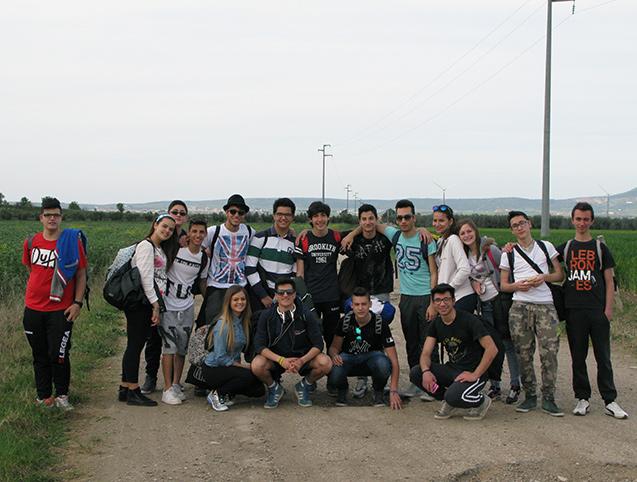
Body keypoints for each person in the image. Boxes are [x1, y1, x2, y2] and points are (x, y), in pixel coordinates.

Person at [344, 199, 437, 399]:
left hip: (408, 294)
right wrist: (352, 233)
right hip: (395, 295)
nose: (403, 220)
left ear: (414, 217)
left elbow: (434, 271)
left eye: (408, 217)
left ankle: (431, 384)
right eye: (400, 217)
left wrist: (422, 228)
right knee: (408, 340)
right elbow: (369, 226)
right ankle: (414, 381)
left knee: (425, 340)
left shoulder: (410, 239)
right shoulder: (393, 236)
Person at [556, 202, 628, 419]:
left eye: (586, 219)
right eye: (578, 219)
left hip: (597, 310)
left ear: (592, 221)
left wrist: (608, 311)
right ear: (572, 220)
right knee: (578, 357)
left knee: (603, 357)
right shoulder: (566, 248)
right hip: (574, 310)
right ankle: (582, 398)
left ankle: (610, 400)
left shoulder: (600, 248)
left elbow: (609, 281)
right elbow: (540, 256)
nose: (582, 223)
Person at [22, 197, 87, 410]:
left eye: (56, 215)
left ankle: (61, 395)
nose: (52, 218)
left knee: (58, 354)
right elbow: (32, 271)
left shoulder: (71, 242)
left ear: (61, 218)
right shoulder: (31, 243)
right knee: (39, 355)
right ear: (41, 218)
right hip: (33, 308)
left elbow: (80, 275)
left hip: (61, 310)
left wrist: (77, 303)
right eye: (48, 215)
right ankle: (44, 398)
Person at [500, 211, 564, 417]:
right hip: (520, 306)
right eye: (515, 226)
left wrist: (544, 277)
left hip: (545, 305)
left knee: (549, 352)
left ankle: (549, 397)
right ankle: (529, 395)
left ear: (529, 224)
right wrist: (516, 285)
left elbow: (559, 275)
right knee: (523, 353)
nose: (520, 228)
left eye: (522, 223)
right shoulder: (508, 253)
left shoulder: (546, 247)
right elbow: (504, 285)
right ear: (511, 230)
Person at [409, 284, 498, 421]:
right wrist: (426, 371)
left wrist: (476, 374)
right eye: (438, 300)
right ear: (433, 303)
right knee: (416, 372)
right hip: (452, 369)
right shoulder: (436, 324)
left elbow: (492, 349)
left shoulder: (469, 320)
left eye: (446, 300)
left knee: (454, 396)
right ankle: (448, 400)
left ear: (454, 301)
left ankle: (481, 401)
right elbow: (426, 353)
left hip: (473, 371)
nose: (442, 304)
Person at [456, 218, 521, 404]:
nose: (467, 236)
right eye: (462, 233)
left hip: (500, 302)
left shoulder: (491, 250)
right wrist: (473, 281)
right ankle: (495, 386)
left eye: (469, 231)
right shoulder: (464, 254)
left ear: (475, 231)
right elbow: (465, 275)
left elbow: (509, 268)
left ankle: (516, 385)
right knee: (491, 346)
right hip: (484, 306)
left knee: (508, 345)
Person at [120, 214, 179, 406]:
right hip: (141, 303)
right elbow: (146, 278)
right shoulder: (146, 246)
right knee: (135, 346)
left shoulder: (159, 248)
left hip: (147, 302)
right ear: (155, 225)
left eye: (171, 229)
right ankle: (133, 390)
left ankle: (124, 387)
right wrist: (155, 306)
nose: (167, 231)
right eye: (164, 226)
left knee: (135, 344)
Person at [339, 204, 394, 398]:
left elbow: (406, 235)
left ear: (376, 219)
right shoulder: (352, 238)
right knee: (357, 333)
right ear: (359, 220)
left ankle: (381, 378)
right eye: (363, 219)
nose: (367, 222)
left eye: (371, 218)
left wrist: (421, 229)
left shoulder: (386, 238)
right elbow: (325, 235)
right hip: (360, 292)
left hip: (382, 291)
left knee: (380, 332)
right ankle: (361, 379)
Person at [251, 277, 332, 408]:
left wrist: (301, 361)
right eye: (281, 292)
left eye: (289, 292)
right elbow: (260, 346)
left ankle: (304, 386)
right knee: (256, 364)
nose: (285, 295)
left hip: (301, 357)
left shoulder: (306, 314)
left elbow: (318, 344)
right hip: (277, 358)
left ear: (295, 294)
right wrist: (281, 360)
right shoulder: (266, 316)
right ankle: (274, 388)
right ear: (275, 295)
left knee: (326, 362)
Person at [159, 218, 210, 405]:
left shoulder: (203, 257)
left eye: (201, 232)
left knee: (181, 348)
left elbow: (203, 281)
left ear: (205, 234)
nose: (197, 235)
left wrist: (208, 301)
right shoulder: (176, 249)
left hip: (187, 305)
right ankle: (166, 388)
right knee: (169, 347)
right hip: (168, 304)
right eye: (194, 231)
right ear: (187, 233)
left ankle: (175, 383)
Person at [142, 200, 189, 395]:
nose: (178, 215)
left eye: (181, 213)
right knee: (154, 339)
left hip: (175, 298)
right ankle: (151, 376)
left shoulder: (187, 238)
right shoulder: (161, 237)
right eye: (174, 212)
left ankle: (174, 382)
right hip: (158, 297)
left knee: (176, 341)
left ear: (186, 218)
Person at [328, 288, 402, 410]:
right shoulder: (345, 321)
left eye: (364, 304)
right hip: (349, 357)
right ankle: (342, 390)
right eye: (357, 304)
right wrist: (334, 355)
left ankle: (378, 390)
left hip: (372, 358)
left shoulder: (380, 323)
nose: (360, 308)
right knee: (334, 368)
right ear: (351, 305)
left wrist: (394, 391)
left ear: (370, 304)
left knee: (383, 364)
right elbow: (334, 348)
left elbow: (393, 359)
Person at [202, 286, 265, 411]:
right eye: (235, 300)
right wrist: (244, 368)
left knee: (258, 390)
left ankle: (229, 392)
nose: (240, 302)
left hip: (229, 367)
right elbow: (220, 357)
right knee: (248, 375)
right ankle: (217, 393)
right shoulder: (223, 325)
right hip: (214, 368)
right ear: (229, 302)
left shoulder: (243, 322)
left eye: (243, 299)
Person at [198, 194, 254, 328]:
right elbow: (195, 247)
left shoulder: (249, 232)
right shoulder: (213, 232)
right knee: (211, 326)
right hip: (217, 287)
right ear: (226, 212)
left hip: (240, 286)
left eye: (240, 212)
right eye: (233, 212)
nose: (236, 215)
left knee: (238, 327)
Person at [294, 201, 341, 350]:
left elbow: (359, 231)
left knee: (331, 335)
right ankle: (313, 368)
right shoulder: (304, 240)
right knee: (311, 335)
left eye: (323, 215)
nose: (319, 219)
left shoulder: (336, 237)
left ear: (328, 217)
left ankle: (333, 370)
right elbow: (299, 273)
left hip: (332, 295)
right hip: (311, 296)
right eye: (315, 216)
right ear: (310, 219)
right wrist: (300, 297)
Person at [245, 197, 297, 311]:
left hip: (284, 298)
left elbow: (294, 273)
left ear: (293, 217)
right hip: (261, 298)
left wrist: (285, 295)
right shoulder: (260, 238)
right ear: (274, 215)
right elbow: (250, 269)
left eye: (287, 215)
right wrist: (263, 296)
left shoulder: (295, 243)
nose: (283, 218)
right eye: (279, 214)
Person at [432, 205, 474, 313]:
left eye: (441, 220)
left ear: (450, 221)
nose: (437, 224)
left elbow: (465, 269)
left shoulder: (453, 240)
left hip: (460, 298)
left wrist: (448, 289)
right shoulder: (442, 241)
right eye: (435, 220)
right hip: (451, 299)